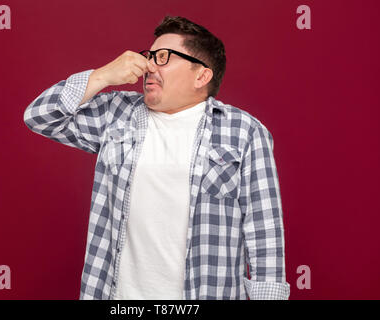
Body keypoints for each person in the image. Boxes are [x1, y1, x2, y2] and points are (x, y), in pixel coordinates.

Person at [23, 15, 290, 300]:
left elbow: (264, 230)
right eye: (149, 56)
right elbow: (39, 117)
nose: (149, 66)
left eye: (163, 57)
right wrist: (102, 76)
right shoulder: (115, 114)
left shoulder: (244, 132)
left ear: (201, 75)